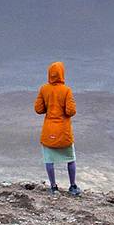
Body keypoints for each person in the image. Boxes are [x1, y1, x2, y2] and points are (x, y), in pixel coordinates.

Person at [34, 60, 81, 197]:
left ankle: (53, 187)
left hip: (49, 131)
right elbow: (71, 111)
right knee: (70, 159)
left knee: (49, 160)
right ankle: (72, 186)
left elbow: (38, 109)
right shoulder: (66, 90)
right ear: (62, 74)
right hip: (63, 131)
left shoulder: (44, 89)